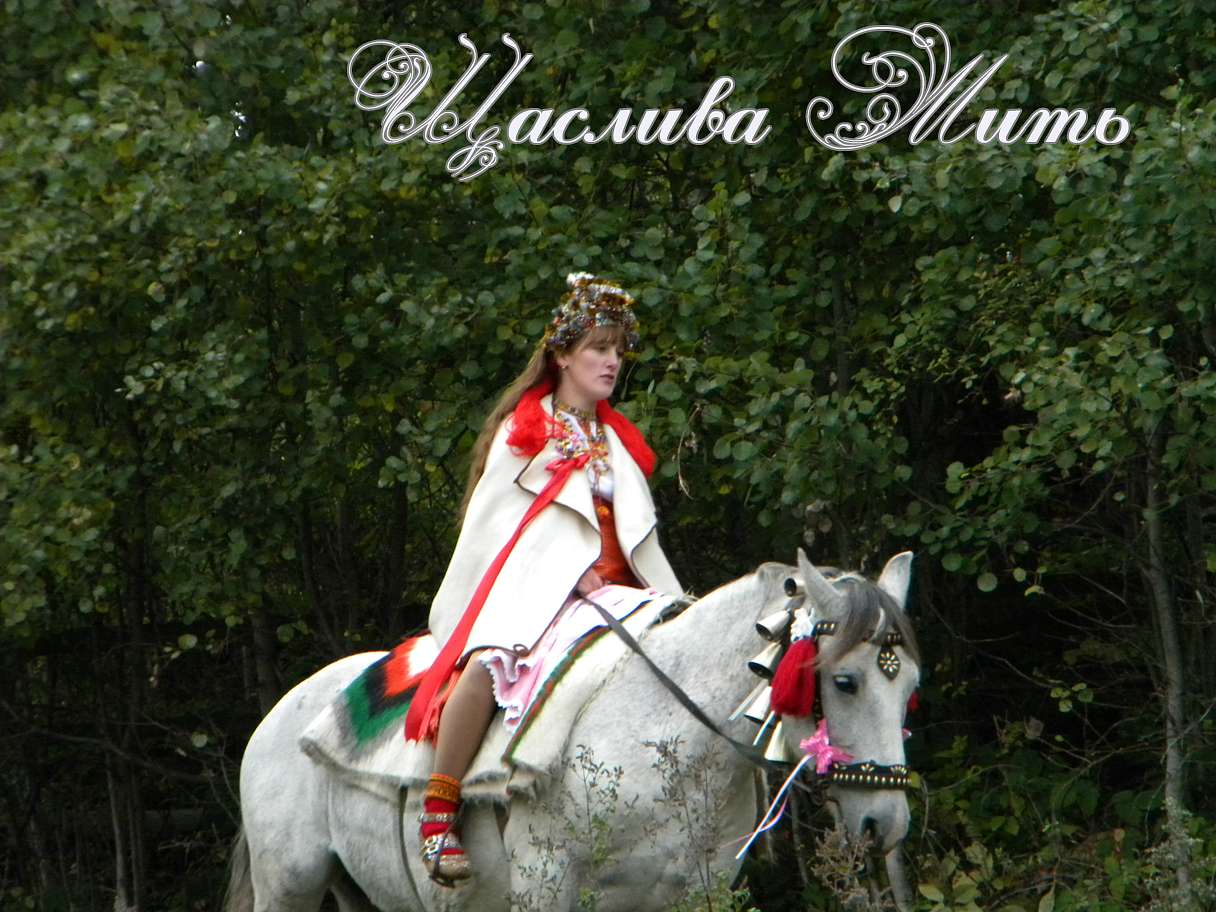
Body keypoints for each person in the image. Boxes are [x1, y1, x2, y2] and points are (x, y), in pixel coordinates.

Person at [404, 273, 683, 884]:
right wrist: (567, 572)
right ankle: (438, 815)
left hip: (626, 593)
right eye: (598, 349)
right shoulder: (525, 432)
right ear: (561, 355)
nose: (611, 362)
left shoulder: (614, 438)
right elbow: (501, 528)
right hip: (542, 592)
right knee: (491, 661)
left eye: (617, 351)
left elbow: (633, 533)